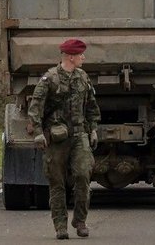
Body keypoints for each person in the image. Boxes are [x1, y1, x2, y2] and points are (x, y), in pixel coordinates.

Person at [28, 38, 101, 240]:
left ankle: (80, 220)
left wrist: (93, 129)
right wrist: (38, 133)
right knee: (57, 182)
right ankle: (60, 225)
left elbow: (91, 106)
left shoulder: (83, 77)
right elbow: (35, 108)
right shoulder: (49, 79)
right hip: (57, 137)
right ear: (71, 57)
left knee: (83, 175)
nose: (83, 58)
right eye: (80, 55)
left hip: (79, 135)